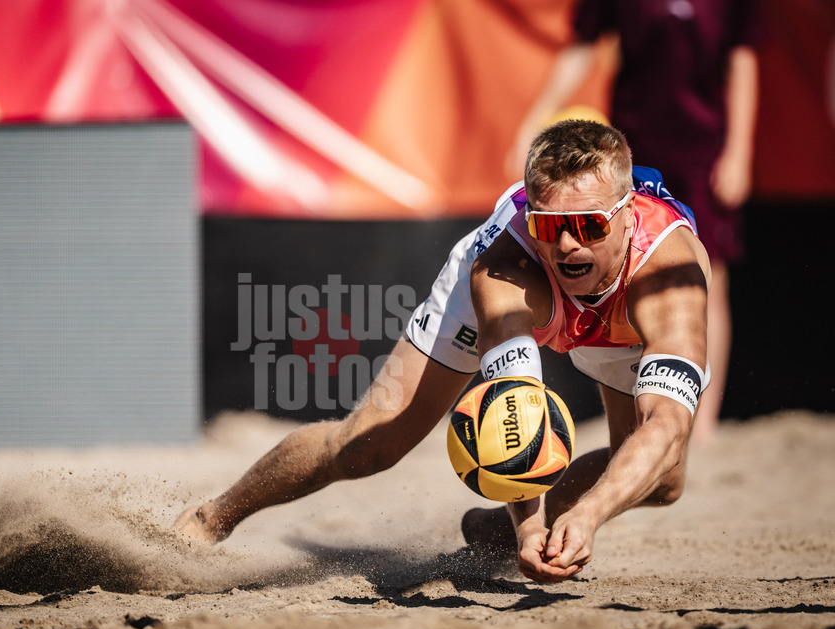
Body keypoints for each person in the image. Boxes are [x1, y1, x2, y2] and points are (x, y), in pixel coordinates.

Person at [173, 119, 710, 583]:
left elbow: (667, 424)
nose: (568, 245)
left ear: (625, 214)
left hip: (619, 315)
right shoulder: (505, 267)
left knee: (662, 480)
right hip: (534, 300)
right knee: (368, 446)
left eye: (587, 226)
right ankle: (211, 517)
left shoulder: (670, 277)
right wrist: (532, 530)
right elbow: (513, 409)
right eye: (549, 225)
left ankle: (491, 528)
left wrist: (588, 514)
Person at [505, 0, 761, 444]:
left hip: (704, 150)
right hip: (630, 149)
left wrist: (740, 151)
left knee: (707, 278)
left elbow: (742, 57)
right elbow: (584, 45)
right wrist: (533, 120)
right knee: (620, 272)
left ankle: (702, 423)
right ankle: (642, 415)